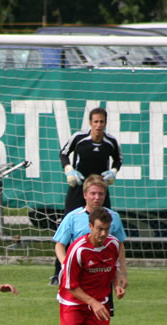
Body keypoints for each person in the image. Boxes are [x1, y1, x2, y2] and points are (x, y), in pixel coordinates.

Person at [26, 208, 125, 325]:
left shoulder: (112, 244)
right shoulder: (78, 250)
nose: (103, 234)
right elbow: (71, 286)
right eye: (99, 229)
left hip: (99, 303)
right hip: (73, 301)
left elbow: (112, 267)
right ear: (90, 226)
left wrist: (117, 285)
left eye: (106, 229)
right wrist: (93, 303)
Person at [52, 175, 128, 325]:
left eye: (101, 193)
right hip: (78, 279)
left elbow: (119, 245)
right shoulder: (73, 217)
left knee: (97, 323)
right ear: (85, 195)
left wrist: (122, 273)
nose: (97, 197)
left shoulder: (113, 218)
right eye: (93, 193)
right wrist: (64, 263)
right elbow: (60, 243)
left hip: (101, 278)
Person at [52, 106, 122, 285]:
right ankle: (59, 272)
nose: (99, 125)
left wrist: (113, 172)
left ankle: (105, 269)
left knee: (104, 226)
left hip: (100, 189)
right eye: (96, 121)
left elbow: (118, 159)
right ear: (90, 123)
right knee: (68, 227)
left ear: (106, 123)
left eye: (102, 122)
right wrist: (69, 170)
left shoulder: (110, 142)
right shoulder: (79, 138)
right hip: (79, 188)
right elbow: (63, 153)